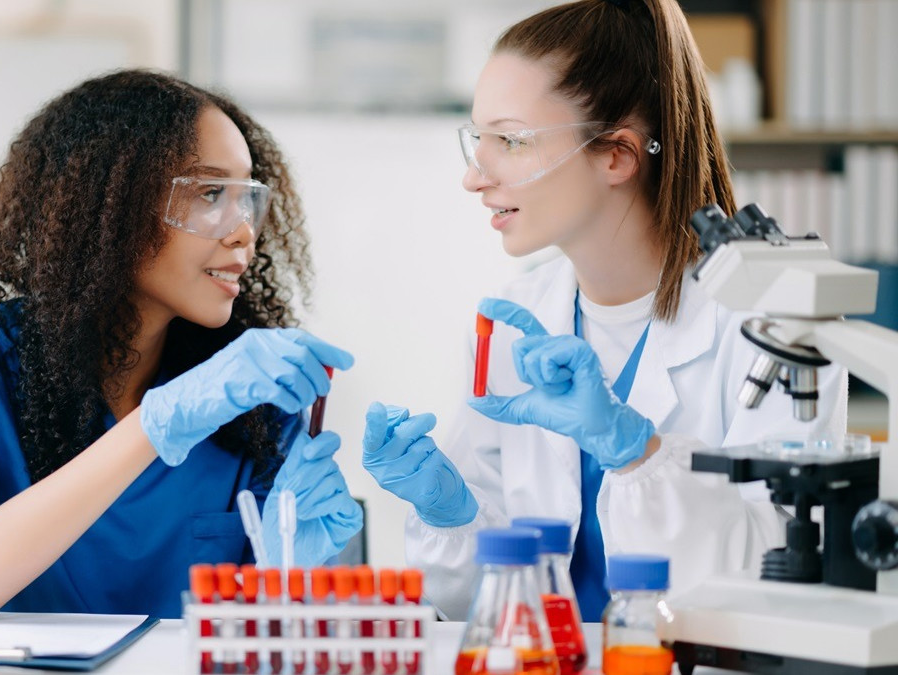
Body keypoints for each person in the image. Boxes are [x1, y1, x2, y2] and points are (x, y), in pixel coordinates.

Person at [362, 0, 847, 621]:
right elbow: (472, 606)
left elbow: (786, 580)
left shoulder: (773, 326)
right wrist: (450, 512)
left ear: (617, 155)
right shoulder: (511, 320)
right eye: (477, 138)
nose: (475, 177)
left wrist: (637, 453)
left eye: (510, 139)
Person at [0, 69, 361, 621]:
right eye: (211, 193)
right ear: (111, 205)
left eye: (247, 199)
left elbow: (265, 641)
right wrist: (152, 425)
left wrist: (295, 578)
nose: (243, 231)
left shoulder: (255, 396)